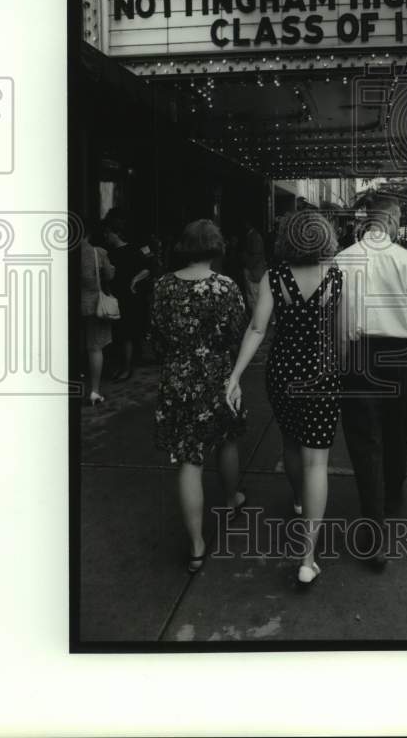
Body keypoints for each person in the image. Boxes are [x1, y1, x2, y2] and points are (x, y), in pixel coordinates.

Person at [226, 210, 343, 586]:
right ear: (325, 237)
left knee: (291, 441)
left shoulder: (273, 277)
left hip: (283, 372)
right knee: (318, 463)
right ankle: (308, 558)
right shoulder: (338, 276)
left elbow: (258, 328)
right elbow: (346, 331)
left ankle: (297, 499)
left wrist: (235, 374)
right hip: (323, 373)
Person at [335, 194, 407, 569]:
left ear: (367, 221)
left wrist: (344, 361)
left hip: (361, 358)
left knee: (365, 440)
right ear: (392, 223)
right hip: (402, 356)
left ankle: (373, 530)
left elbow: (340, 323)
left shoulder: (343, 260)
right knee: (398, 429)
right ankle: (392, 497)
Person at [151, 220, 248, 573]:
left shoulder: (162, 286)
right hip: (218, 375)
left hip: (178, 376)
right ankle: (231, 499)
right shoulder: (225, 287)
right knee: (227, 440)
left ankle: (195, 545)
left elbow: (156, 336)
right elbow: (239, 333)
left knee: (188, 458)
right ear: (217, 248)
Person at [102, 215, 152, 380]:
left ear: (116, 233)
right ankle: (121, 366)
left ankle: (127, 368)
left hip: (129, 298)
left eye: (108, 233)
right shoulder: (108, 252)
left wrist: (134, 281)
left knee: (127, 334)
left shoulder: (132, 250)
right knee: (118, 334)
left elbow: (147, 269)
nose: (106, 235)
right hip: (115, 297)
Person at [79, 227, 116, 405]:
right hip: (94, 305)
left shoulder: (65, 252)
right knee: (94, 347)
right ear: (88, 233)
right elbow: (109, 275)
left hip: (71, 305)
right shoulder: (97, 253)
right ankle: (94, 391)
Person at [240, 219, 267, 313]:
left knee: (255, 296)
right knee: (252, 296)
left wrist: (249, 267)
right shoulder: (252, 235)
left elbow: (257, 255)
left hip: (254, 271)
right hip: (252, 269)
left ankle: (258, 318)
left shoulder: (255, 236)